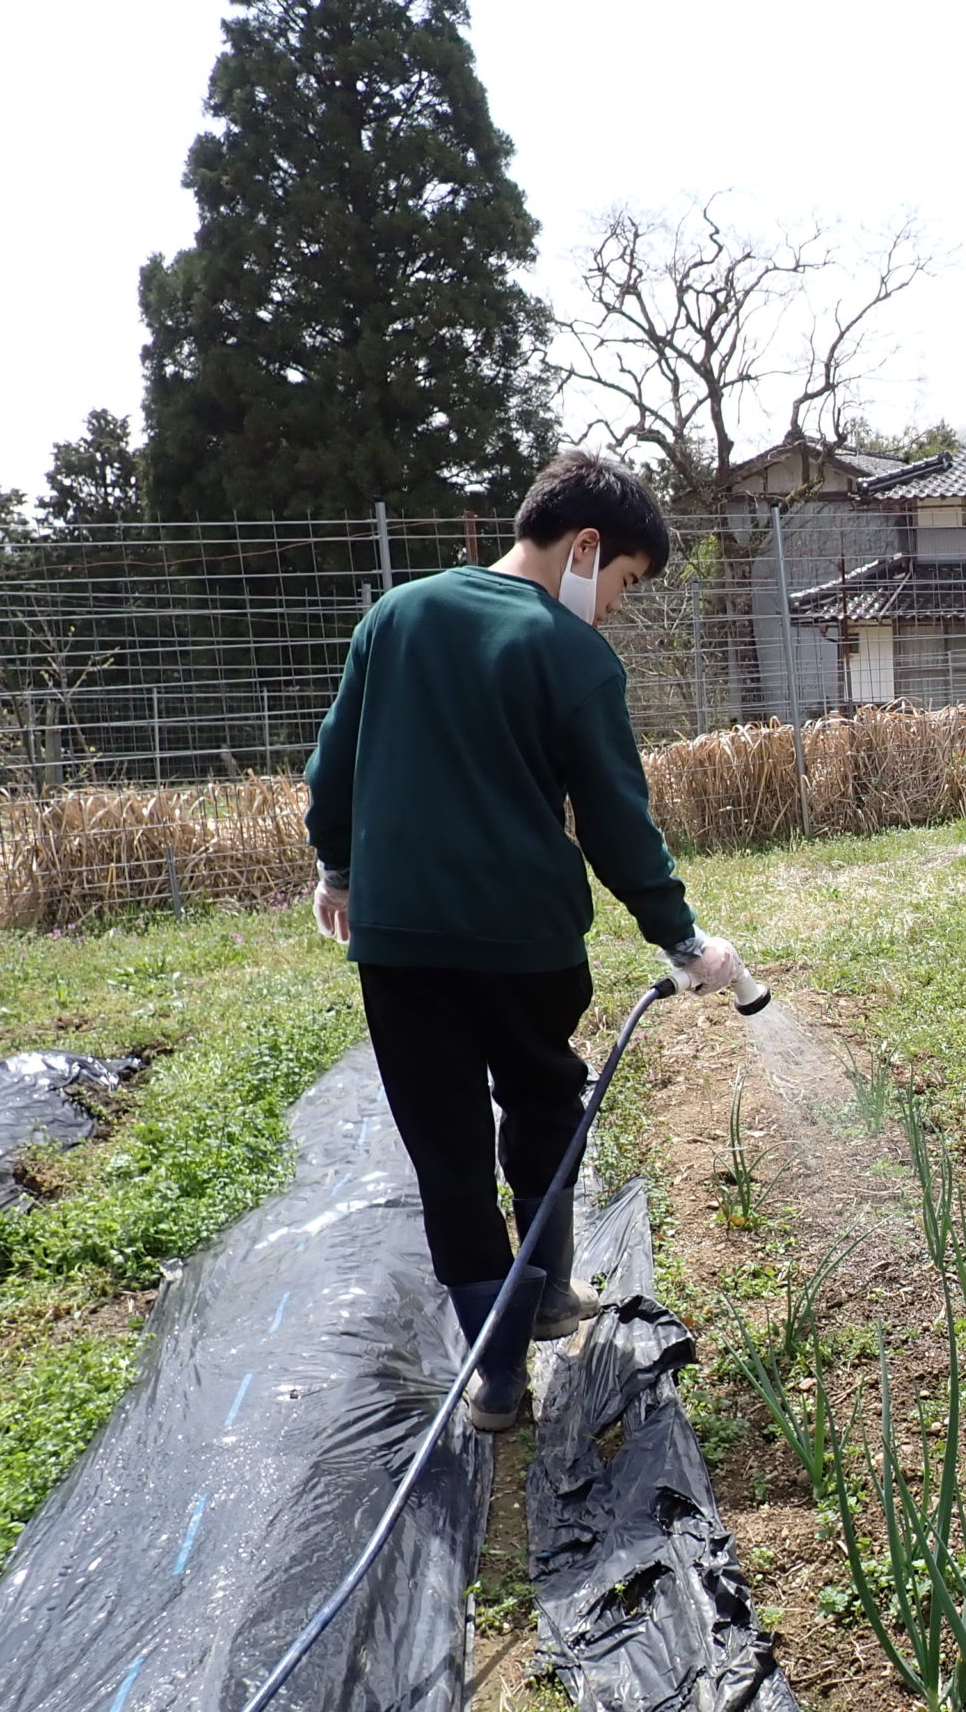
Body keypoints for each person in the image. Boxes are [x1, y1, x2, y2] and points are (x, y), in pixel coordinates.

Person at [304, 449, 740, 1432]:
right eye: (623, 580)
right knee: (544, 1106)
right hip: (527, 944)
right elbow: (617, 823)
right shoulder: (573, 656)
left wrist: (337, 868)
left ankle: (496, 1378)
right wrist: (680, 938)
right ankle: (542, 1295)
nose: (616, 606)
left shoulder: (396, 616)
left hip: (401, 946)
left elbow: (333, 767)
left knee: (446, 1150)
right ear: (585, 546)